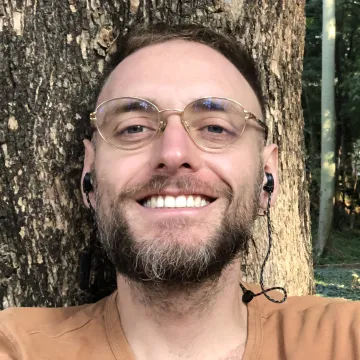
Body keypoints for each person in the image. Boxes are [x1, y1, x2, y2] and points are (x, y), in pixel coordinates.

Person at [0, 23, 359, 360]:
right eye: (133, 128)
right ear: (89, 176)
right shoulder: (19, 345)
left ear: (268, 177)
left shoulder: (345, 339)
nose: (173, 154)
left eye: (216, 128)